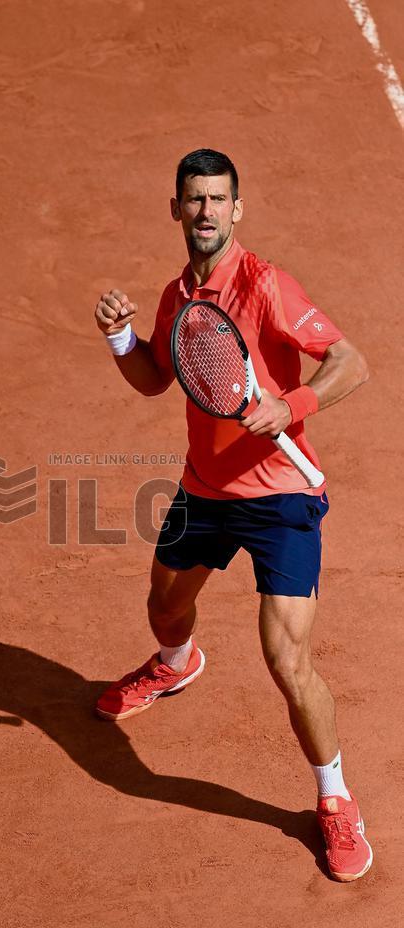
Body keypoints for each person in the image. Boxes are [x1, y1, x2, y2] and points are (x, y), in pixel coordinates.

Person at [93, 148, 372, 882]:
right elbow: (158, 378)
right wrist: (122, 339)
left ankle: (335, 797)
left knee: (287, 660)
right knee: (162, 607)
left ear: (237, 209)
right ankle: (177, 666)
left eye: (220, 199)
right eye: (195, 199)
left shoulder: (268, 285)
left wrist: (293, 404)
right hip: (205, 493)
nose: (208, 211)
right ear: (177, 209)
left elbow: (350, 361)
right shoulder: (176, 294)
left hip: (282, 501)